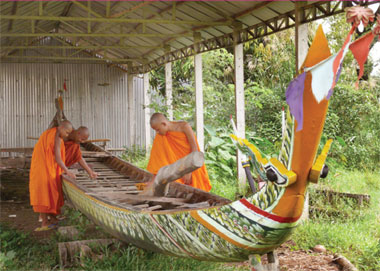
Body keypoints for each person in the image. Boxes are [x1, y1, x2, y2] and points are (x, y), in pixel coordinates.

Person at [29, 120, 76, 231]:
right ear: (61, 128)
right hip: (43, 171)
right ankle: (45, 224)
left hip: (42, 167)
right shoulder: (56, 138)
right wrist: (67, 171)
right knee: (44, 196)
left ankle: (54, 219)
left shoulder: (50, 133)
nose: (67, 135)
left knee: (49, 195)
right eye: (67, 132)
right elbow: (58, 159)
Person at [147, 113, 211, 192]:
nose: (157, 132)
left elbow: (195, 148)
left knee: (196, 191)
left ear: (164, 124)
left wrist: (189, 171)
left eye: (158, 129)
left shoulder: (184, 127)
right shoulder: (161, 136)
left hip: (191, 164)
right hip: (175, 169)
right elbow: (158, 158)